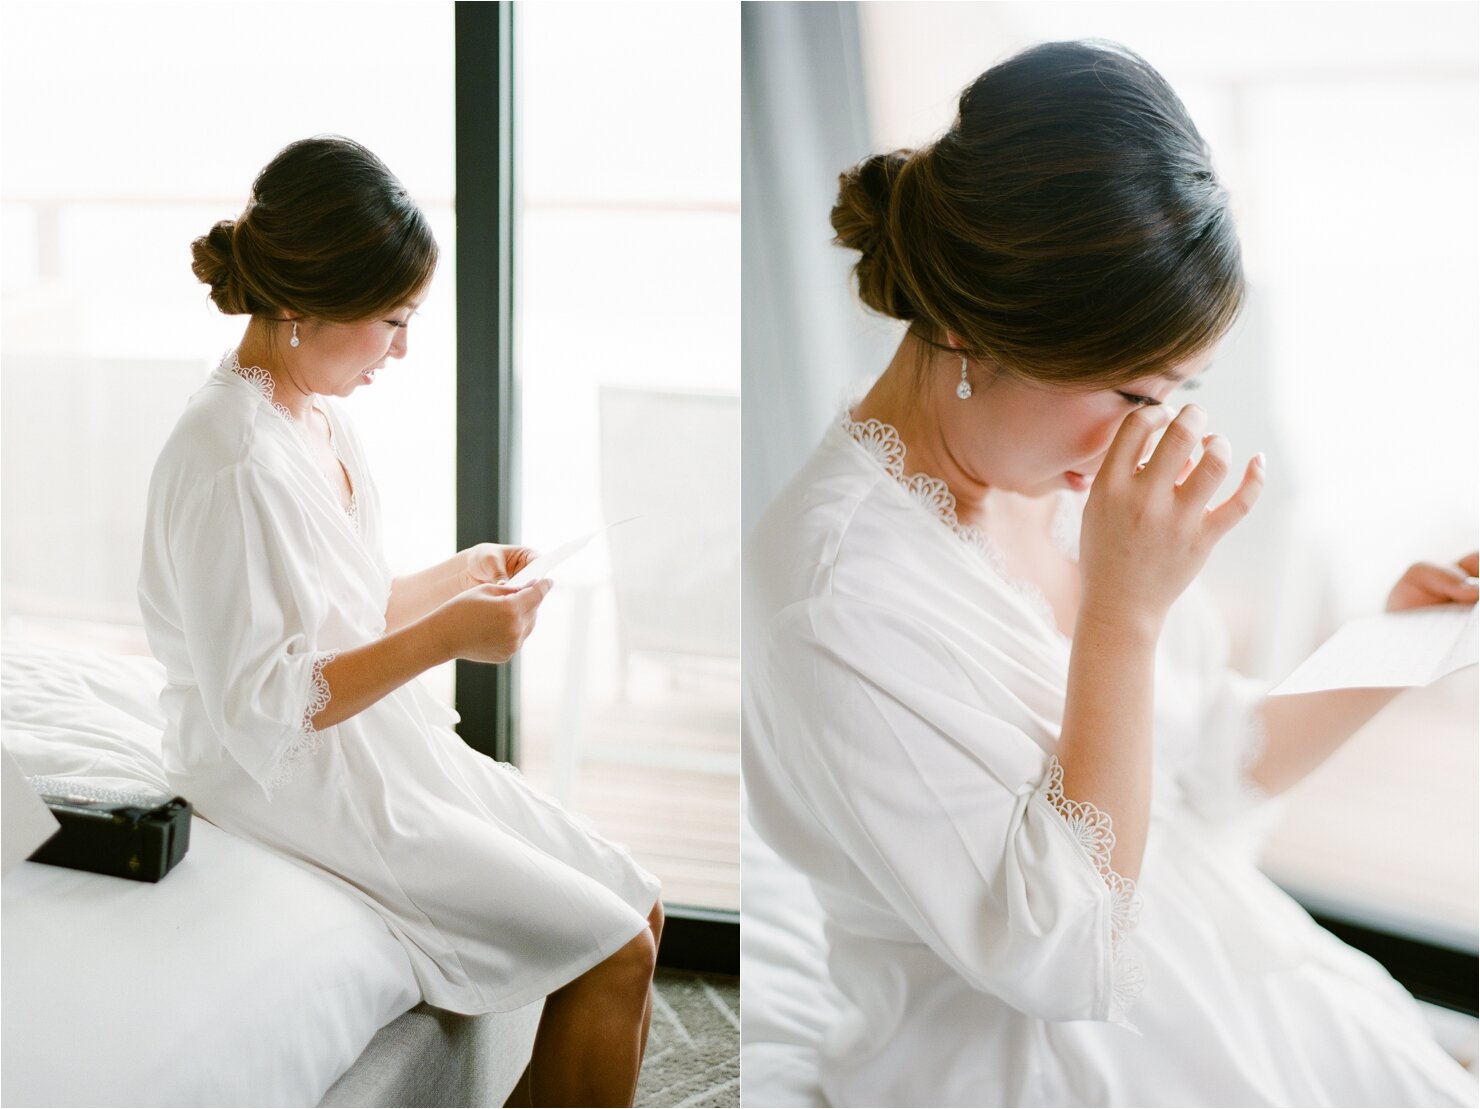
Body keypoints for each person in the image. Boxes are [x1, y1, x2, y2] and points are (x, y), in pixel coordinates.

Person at [743, 41, 1479, 1107]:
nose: (1157, 434)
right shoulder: (837, 595)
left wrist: (1395, 643)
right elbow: (1056, 955)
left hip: (1224, 972)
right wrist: (1123, 612)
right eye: (1135, 394)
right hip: (1035, 1062)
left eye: (1178, 390)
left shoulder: (1042, 476)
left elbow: (1200, 765)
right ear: (967, 325)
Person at [138, 135, 663, 1109]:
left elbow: (343, 610)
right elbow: (264, 703)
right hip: (284, 776)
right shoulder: (233, 459)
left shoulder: (313, 416)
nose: (403, 349)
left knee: (638, 897)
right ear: (303, 306)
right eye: (391, 321)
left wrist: (456, 580)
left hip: (366, 739)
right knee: (614, 949)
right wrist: (448, 637)